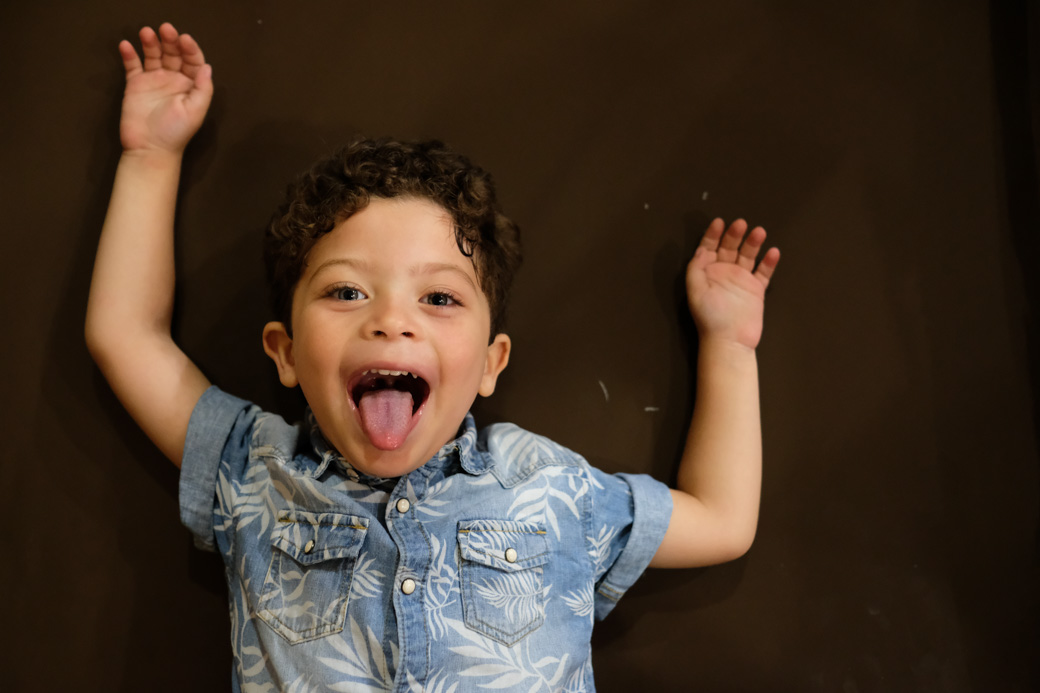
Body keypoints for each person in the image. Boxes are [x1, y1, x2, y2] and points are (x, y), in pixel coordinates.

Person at [85, 22, 781, 693]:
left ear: (490, 362)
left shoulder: (552, 487)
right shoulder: (256, 471)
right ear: (285, 350)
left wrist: (729, 342)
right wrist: (151, 157)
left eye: (440, 299)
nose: (392, 320)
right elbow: (125, 334)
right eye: (348, 290)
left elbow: (721, 520)